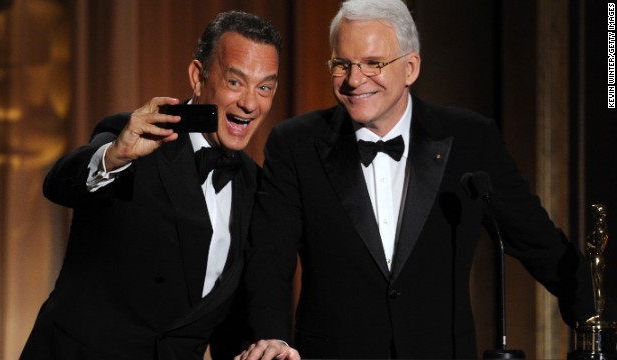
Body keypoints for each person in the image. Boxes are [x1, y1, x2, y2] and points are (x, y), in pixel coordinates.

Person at [237, 0, 609, 359]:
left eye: (373, 63)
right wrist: (273, 339)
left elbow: (536, 240)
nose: (353, 79)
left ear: (411, 67)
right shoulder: (296, 143)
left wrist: (598, 322)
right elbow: (269, 259)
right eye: (342, 64)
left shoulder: (469, 139)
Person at [20, 10, 280, 360]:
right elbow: (59, 185)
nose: (250, 103)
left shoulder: (255, 185)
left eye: (264, 87)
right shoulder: (136, 141)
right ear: (198, 77)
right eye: (235, 82)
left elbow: (228, 318)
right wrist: (113, 157)